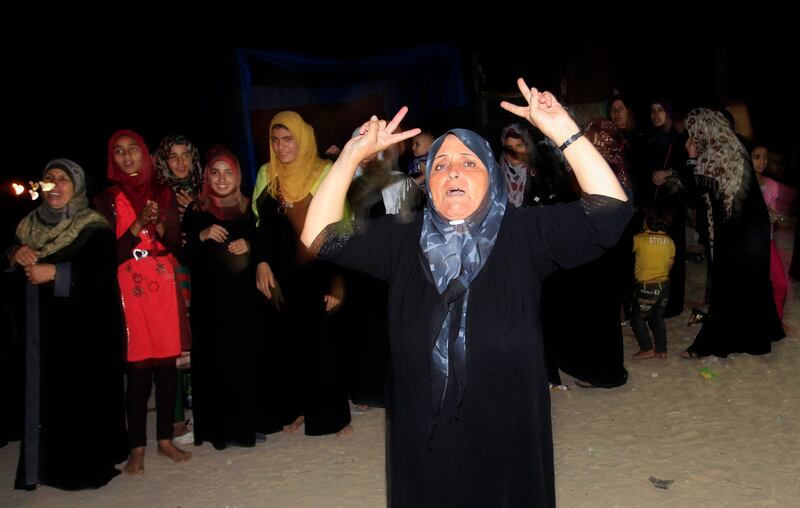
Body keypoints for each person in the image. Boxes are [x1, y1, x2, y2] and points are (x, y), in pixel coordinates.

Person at [300, 78, 631, 507]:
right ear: (429, 183)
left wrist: (563, 131)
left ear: (491, 176)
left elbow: (609, 214)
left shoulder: (523, 233)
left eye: (468, 162)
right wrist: (351, 157)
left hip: (507, 443)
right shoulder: (402, 239)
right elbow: (318, 237)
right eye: (440, 165)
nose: (453, 170)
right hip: (425, 445)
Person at [5, 159, 128, 490]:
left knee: (81, 400)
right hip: (41, 334)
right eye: (49, 178)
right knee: (46, 398)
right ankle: (41, 468)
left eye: (64, 179)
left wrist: (58, 274)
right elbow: (8, 259)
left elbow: (101, 275)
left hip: (84, 333)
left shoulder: (93, 226)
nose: (56, 185)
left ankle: (82, 468)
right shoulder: (27, 226)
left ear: (77, 186)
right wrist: (15, 254)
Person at [94, 130, 193, 473]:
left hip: (163, 290)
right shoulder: (106, 199)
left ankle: (165, 439)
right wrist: (137, 224)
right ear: (113, 159)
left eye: (132, 149)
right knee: (137, 373)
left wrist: (162, 226)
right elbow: (106, 254)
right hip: (130, 294)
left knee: (166, 369)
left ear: (144, 155)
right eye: (118, 151)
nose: (126, 156)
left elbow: (177, 243)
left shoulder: (163, 192)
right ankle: (137, 447)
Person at [252, 111, 351, 436]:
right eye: (275, 140)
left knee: (322, 347)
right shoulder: (267, 174)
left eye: (287, 138)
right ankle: (297, 410)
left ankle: (331, 417)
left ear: (302, 138)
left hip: (318, 272)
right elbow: (260, 226)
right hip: (280, 275)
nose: (280, 147)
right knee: (286, 346)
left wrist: (339, 283)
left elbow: (340, 230)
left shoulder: (324, 172)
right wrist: (262, 262)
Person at [181, 146, 276, 448]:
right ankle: (219, 430)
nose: (222, 179)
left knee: (247, 361)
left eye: (228, 173)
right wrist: (202, 235)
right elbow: (184, 255)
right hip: (211, 305)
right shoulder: (196, 211)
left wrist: (249, 243)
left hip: (246, 304)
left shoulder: (251, 207)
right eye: (215, 172)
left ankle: (249, 425)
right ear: (207, 176)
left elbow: (267, 243)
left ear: (238, 176)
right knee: (216, 364)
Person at [681, 109, 784, 358]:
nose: (693, 136)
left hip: (737, 237)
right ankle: (760, 335)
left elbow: (694, 191)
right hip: (752, 234)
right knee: (752, 284)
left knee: (727, 287)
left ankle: (712, 343)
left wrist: (691, 157)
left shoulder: (715, 156)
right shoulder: (734, 147)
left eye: (694, 131)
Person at [153, 134, 204, 440]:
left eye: (186, 155)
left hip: (201, 272)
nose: (181, 162)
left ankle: (200, 408)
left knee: (201, 338)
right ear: (163, 162)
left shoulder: (206, 188)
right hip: (169, 274)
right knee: (172, 342)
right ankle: (173, 419)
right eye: (174, 156)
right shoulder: (156, 194)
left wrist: (194, 213)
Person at [630, 207, 675, 359]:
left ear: (647, 222)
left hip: (646, 287)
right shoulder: (669, 241)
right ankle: (661, 349)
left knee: (637, 318)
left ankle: (647, 348)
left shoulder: (639, 239)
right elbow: (670, 264)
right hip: (664, 285)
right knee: (657, 317)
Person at [752, 144, 788, 319]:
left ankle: (776, 319)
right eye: (756, 157)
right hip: (748, 244)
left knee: (781, 284)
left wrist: (778, 216)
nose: (762, 161)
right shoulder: (742, 186)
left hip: (768, 240)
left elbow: (780, 218)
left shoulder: (773, 185)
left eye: (765, 157)